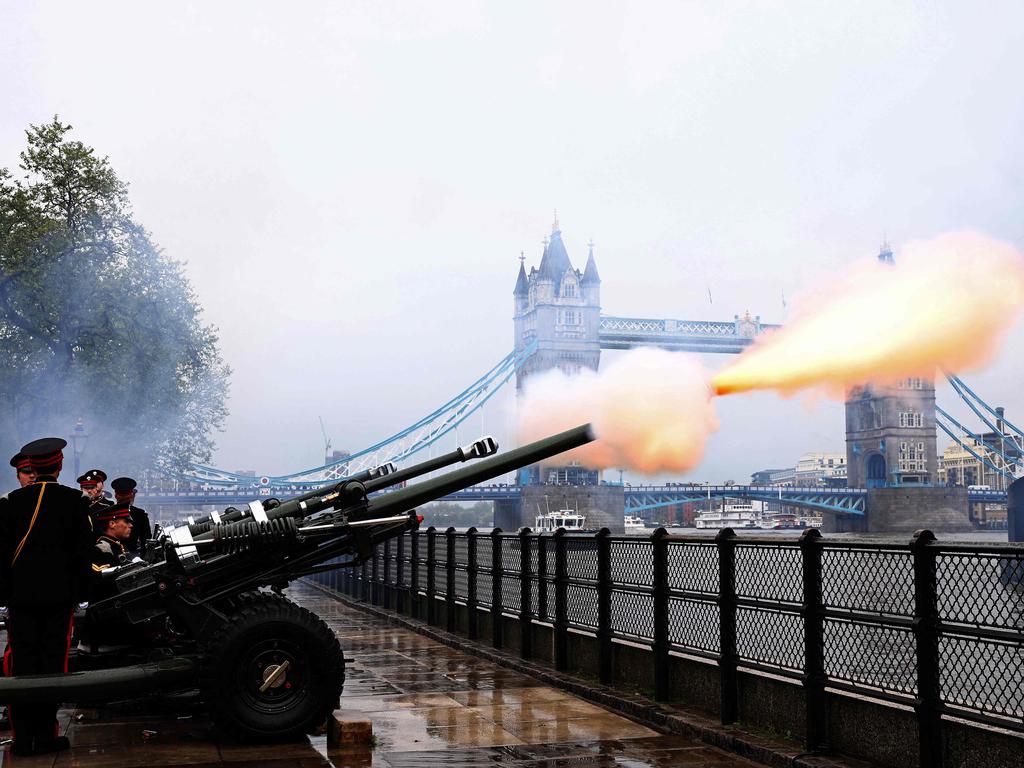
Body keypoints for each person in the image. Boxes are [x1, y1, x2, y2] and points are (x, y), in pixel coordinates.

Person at [0, 437, 94, 756]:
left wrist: (6, 595)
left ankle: (24, 738)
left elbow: (2, 556)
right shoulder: (75, 502)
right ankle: (48, 733)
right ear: (60, 465)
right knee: (54, 664)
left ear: (32, 468)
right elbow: (83, 557)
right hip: (58, 599)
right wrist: (83, 594)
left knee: (22, 665)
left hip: (21, 600)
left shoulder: (11, 502)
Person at [109, 477, 151, 555]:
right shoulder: (140, 515)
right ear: (131, 495)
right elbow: (146, 541)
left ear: (115, 495)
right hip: (131, 558)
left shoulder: (107, 513)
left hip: (114, 557)